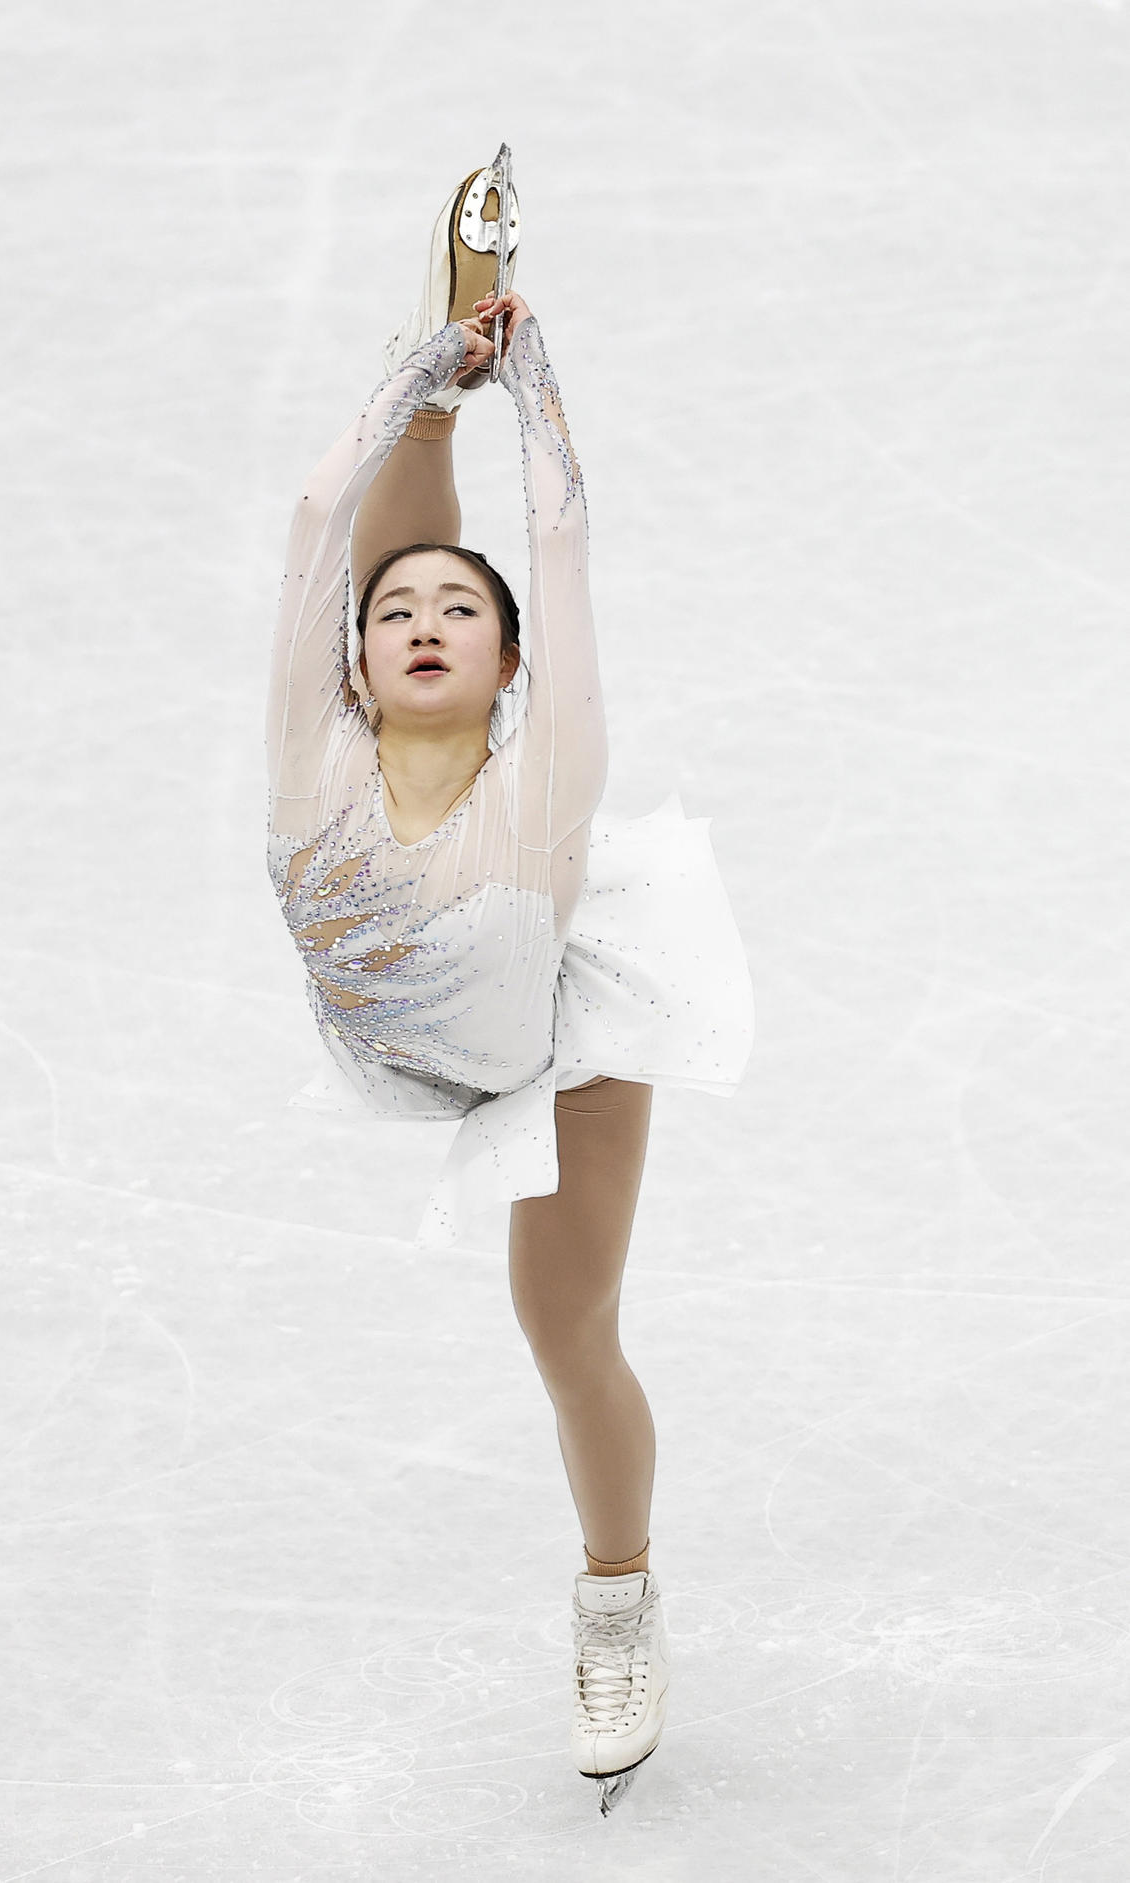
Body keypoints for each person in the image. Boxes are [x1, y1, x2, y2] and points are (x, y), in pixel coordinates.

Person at [265, 153, 755, 1813]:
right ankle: (439, 350)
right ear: (353, 657)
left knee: (566, 1328)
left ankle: (617, 1593)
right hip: (413, 1018)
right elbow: (316, 536)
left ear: (510, 664)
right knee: (394, 514)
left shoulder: (544, 783)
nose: (419, 619)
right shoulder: (312, 760)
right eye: (395, 612)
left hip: (558, 1018)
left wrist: (525, 369)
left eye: (457, 612)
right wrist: (427, 374)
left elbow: (557, 537)